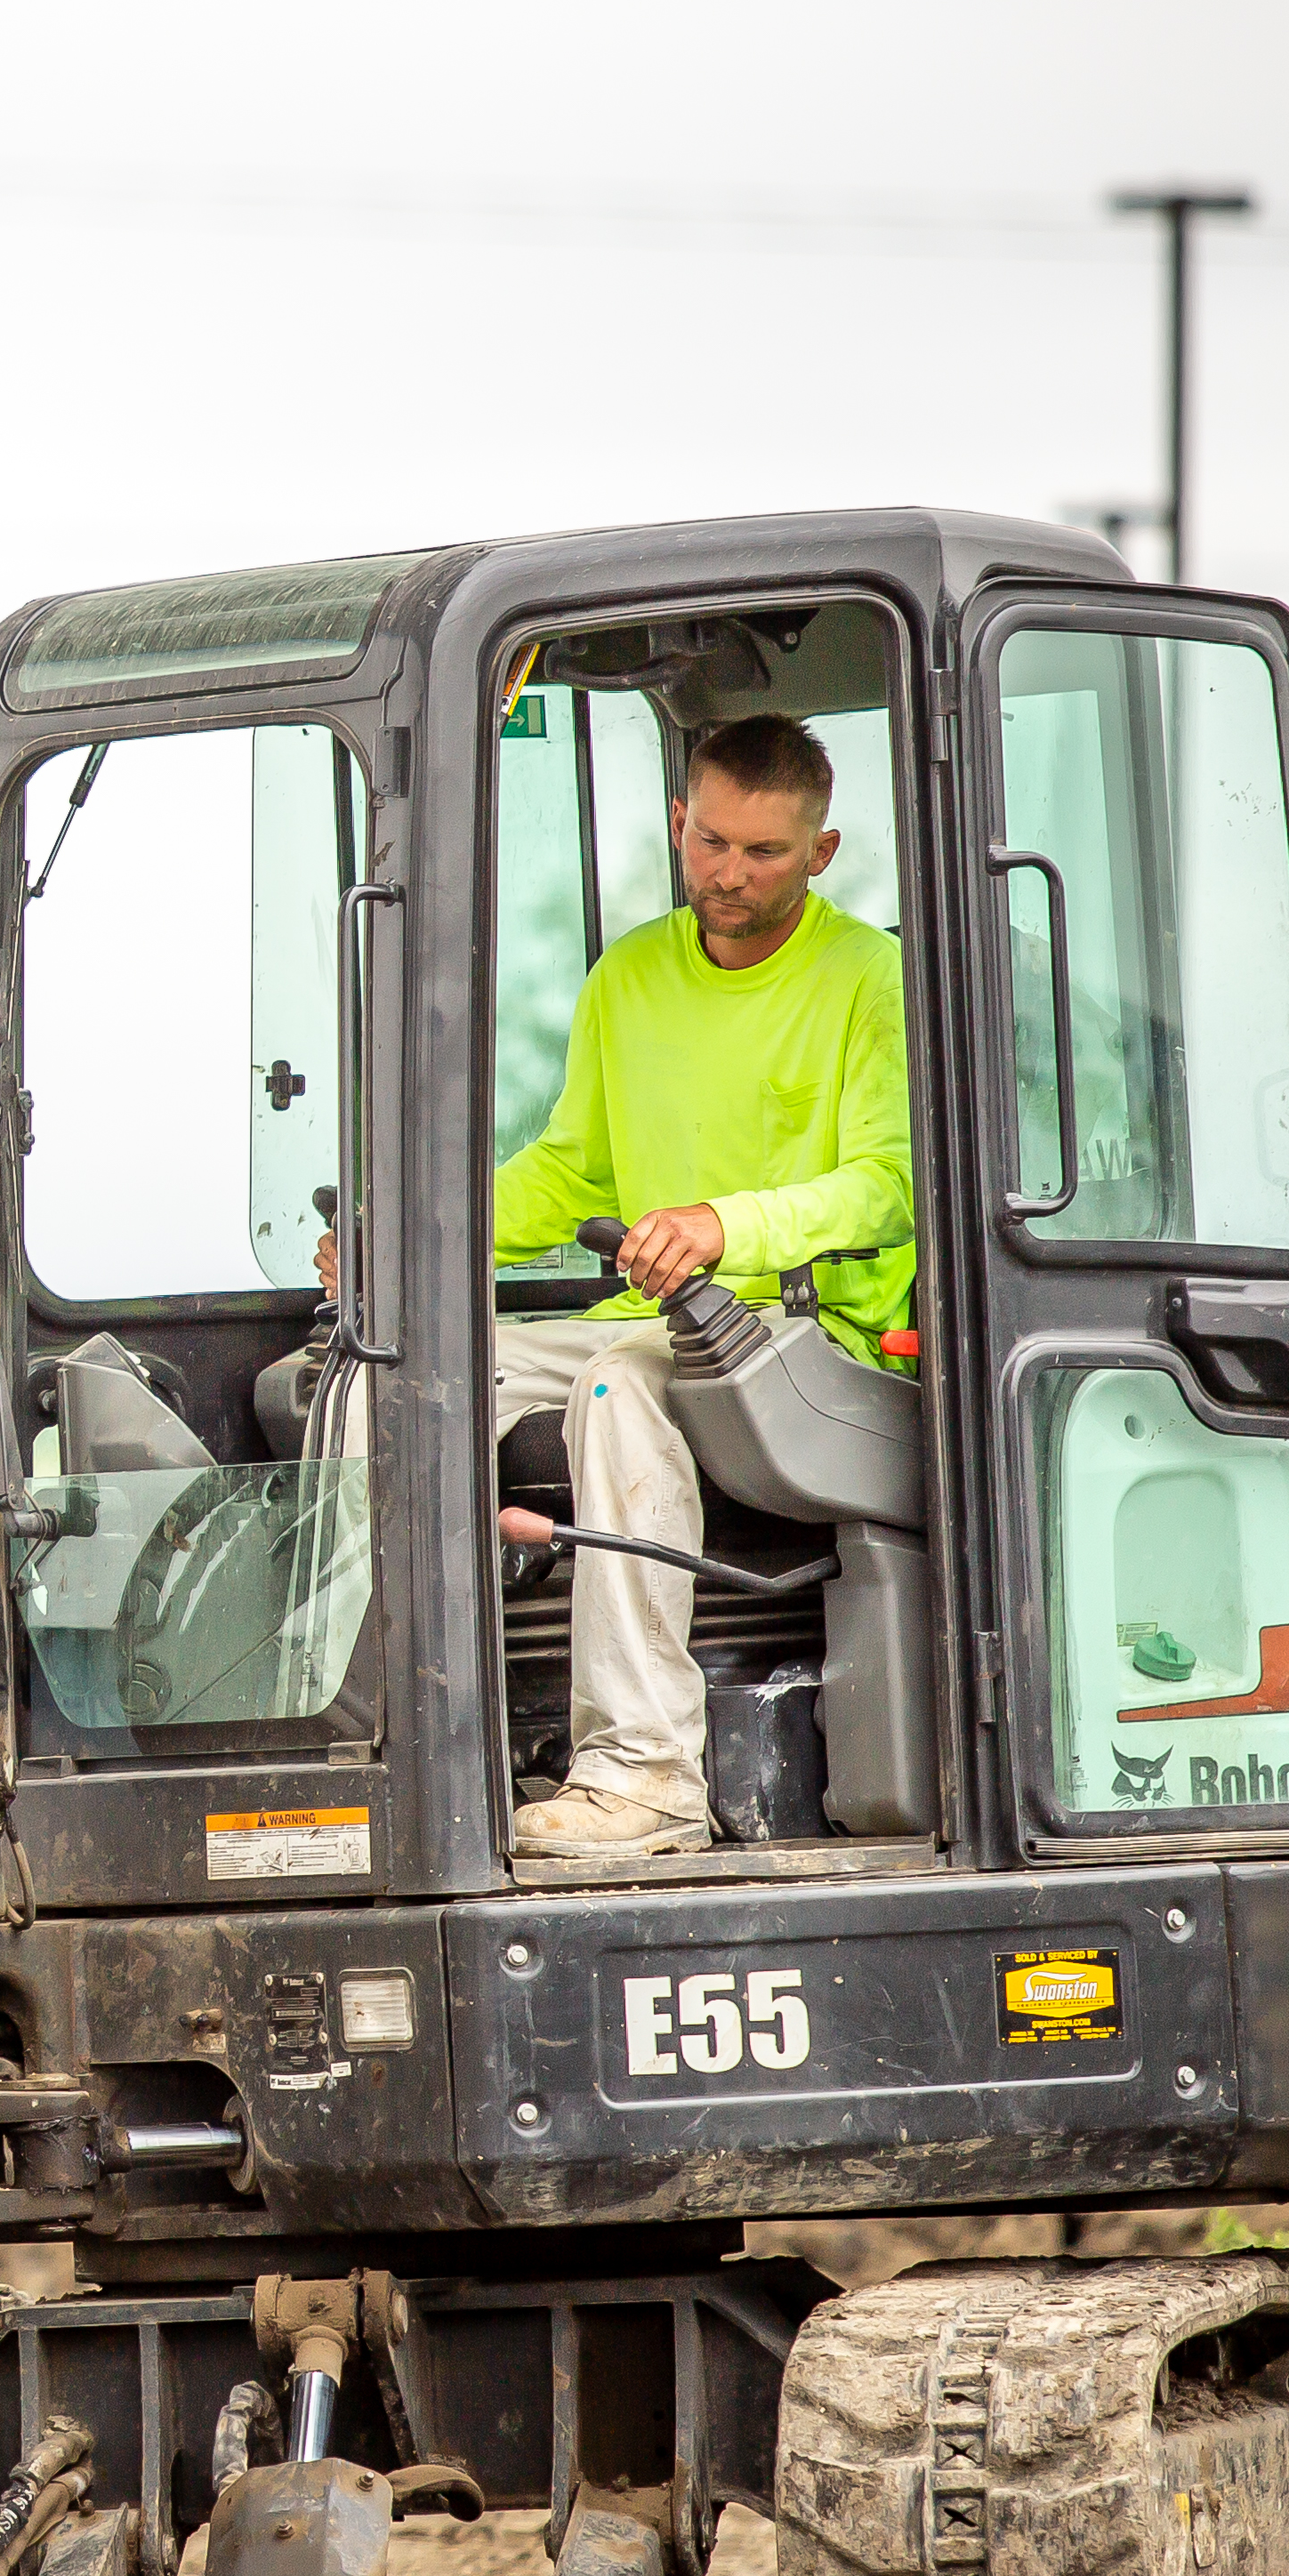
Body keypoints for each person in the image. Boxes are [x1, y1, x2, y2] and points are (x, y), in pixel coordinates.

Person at [478, 710, 912, 1856]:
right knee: (395, 1379)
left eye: (766, 853)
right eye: (712, 843)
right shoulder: (629, 978)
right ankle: (425, 1740)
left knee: (618, 1386)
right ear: (680, 826)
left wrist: (728, 1226)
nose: (732, 875)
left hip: (812, 1339)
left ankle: (647, 1774)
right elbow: (575, 1162)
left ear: (820, 854)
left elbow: (891, 1186)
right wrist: (414, 1237)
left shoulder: (872, 980)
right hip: (650, 1314)